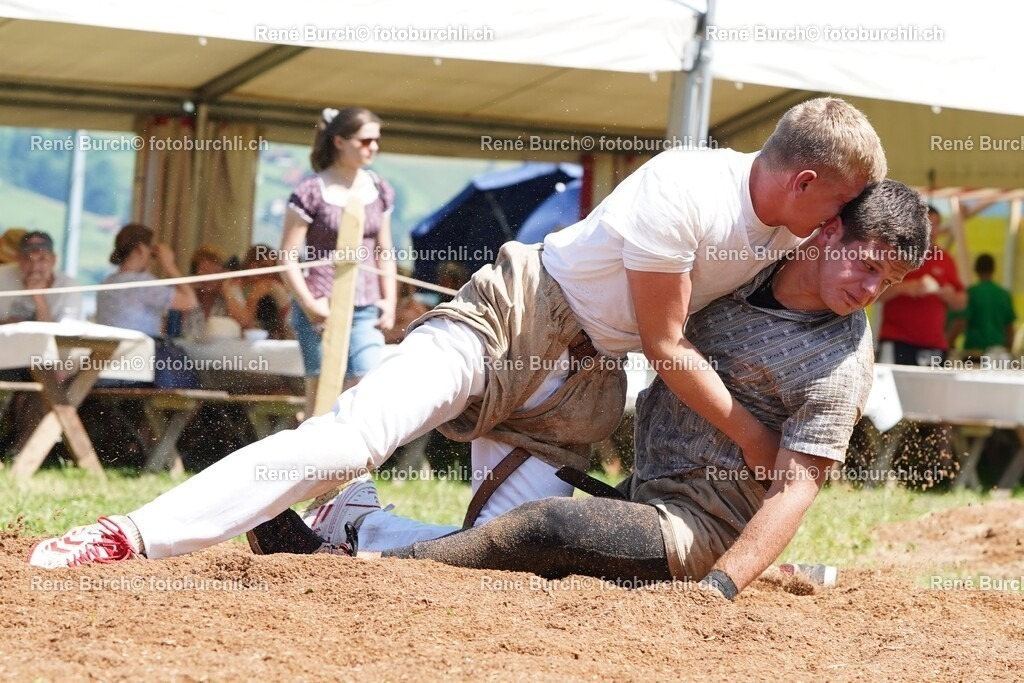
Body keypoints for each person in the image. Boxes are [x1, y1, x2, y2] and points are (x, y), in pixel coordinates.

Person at [28, 97, 888, 569]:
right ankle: (129, 533)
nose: (838, 229)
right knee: (348, 438)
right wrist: (758, 440)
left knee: (508, 559)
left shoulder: (794, 230)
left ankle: (352, 531)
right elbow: (668, 344)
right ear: (805, 180)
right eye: (839, 209)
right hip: (518, 315)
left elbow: (779, 317)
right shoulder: (687, 190)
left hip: (583, 385)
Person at [249, 180, 930, 565]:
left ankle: (340, 553)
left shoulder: (842, 362)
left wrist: (723, 588)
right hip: (644, 485)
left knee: (543, 533)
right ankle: (360, 526)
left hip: (696, 529)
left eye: (889, 280)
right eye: (868, 265)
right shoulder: (744, 266)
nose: (872, 289)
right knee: (523, 554)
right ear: (830, 234)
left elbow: (795, 490)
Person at [280, 107, 398, 414]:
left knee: (366, 385)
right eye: (365, 140)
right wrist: (309, 305)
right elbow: (287, 257)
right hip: (321, 305)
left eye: (376, 140)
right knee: (322, 396)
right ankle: (309, 461)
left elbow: (385, 250)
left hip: (365, 306)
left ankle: (354, 463)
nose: (373, 147)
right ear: (339, 142)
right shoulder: (311, 192)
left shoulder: (380, 189)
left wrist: (391, 301)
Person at [95, 223, 199, 388]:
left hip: (105, 368)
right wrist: (169, 266)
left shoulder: (107, 282)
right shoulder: (142, 283)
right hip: (136, 370)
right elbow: (190, 302)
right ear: (141, 249)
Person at [877, 206, 966, 365]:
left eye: (936, 225)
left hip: (934, 345)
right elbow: (873, 293)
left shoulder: (945, 259)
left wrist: (950, 295)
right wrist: (905, 287)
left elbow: (962, 303)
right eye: (927, 225)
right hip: (897, 341)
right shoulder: (895, 254)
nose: (931, 231)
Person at [0, 231, 83, 325]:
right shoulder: (2, 275)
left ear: (53, 260)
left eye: (42, 259)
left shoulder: (69, 286)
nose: (35, 267)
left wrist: (38, 296)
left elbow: (66, 334)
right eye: (28, 259)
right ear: (19, 259)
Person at [949, 254, 1016, 354]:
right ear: (993, 269)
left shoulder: (971, 293)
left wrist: (949, 342)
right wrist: (1008, 350)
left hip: (974, 351)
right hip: (997, 353)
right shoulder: (1004, 295)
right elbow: (1009, 328)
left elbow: (961, 322)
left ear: (975, 269)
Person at [224, 245, 292, 339]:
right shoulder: (235, 287)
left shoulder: (273, 286)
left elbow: (290, 324)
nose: (268, 272)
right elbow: (245, 323)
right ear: (251, 265)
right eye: (264, 266)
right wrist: (254, 297)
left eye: (272, 268)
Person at [180, 244, 230, 340]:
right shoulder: (182, 294)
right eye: (205, 271)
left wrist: (226, 293)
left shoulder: (227, 295)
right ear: (194, 272)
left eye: (215, 272)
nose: (209, 279)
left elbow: (245, 324)